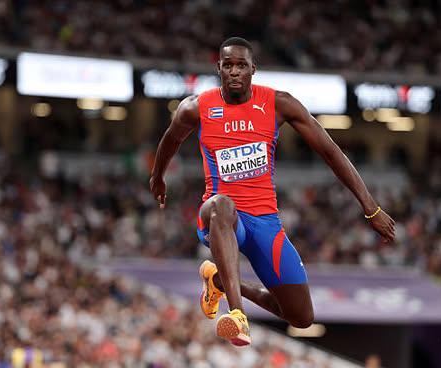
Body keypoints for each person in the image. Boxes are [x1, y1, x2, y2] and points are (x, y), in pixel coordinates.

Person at [150, 37, 395, 347]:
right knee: (222, 204)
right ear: (219, 69)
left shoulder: (279, 104)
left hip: (265, 222)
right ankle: (237, 315)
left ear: (254, 69)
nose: (235, 72)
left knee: (301, 316)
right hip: (221, 218)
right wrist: (158, 176)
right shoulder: (196, 107)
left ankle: (219, 281)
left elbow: (332, 153)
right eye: (228, 66)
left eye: (241, 65)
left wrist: (371, 208)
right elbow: (171, 140)